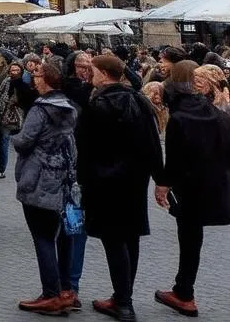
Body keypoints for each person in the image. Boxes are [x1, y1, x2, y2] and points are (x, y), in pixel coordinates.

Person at [76, 54, 164, 321]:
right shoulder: (138, 100)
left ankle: (123, 302)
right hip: (134, 180)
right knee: (130, 237)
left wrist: (82, 180)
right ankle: (123, 294)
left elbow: (85, 147)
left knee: (114, 239)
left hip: (105, 182)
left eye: (91, 70)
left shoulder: (98, 104)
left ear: (103, 73)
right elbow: (153, 143)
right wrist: (159, 178)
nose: (89, 74)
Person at [153, 59, 230, 317]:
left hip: (189, 189)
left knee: (189, 241)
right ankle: (183, 290)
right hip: (216, 185)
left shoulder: (179, 118)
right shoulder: (219, 115)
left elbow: (173, 160)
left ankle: (184, 293)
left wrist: (162, 185)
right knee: (191, 241)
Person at [11, 59, 78, 316]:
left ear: (47, 79)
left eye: (37, 75)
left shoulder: (40, 109)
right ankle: (66, 289)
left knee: (43, 236)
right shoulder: (68, 108)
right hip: (64, 177)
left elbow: (26, 140)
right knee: (64, 235)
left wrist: (14, 137)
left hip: (40, 177)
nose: (34, 79)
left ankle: (51, 293)